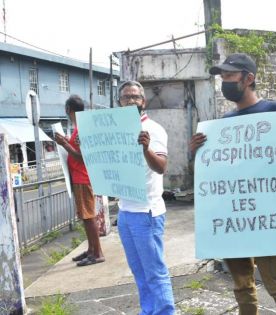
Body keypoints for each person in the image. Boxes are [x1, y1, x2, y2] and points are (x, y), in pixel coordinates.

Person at [189, 53, 276, 315]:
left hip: (267, 218)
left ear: (249, 79)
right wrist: (195, 152)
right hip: (235, 220)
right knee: (242, 287)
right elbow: (215, 174)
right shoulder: (222, 125)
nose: (224, 82)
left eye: (230, 76)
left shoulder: (274, 111)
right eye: (222, 77)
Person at [116, 80, 175, 314]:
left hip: (146, 213)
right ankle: (149, 310)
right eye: (126, 97)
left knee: (155, 272)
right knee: (139, 271)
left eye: (135, 97)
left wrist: (146, 148)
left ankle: (165, 311)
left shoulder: (153, 129)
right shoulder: (116, 131)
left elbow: (161, 166)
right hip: (125, 212)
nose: (131, 101)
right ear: (119, 102)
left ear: (144, 101)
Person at [54, 95, 105, 267]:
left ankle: (97, 252)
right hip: (79, 178)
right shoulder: (78, 127)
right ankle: (91, 249)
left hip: (83, 178)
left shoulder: (81, 128)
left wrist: (64, 144)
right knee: (85, 217)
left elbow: (83, 157)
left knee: (89, 217)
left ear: (68, 109)